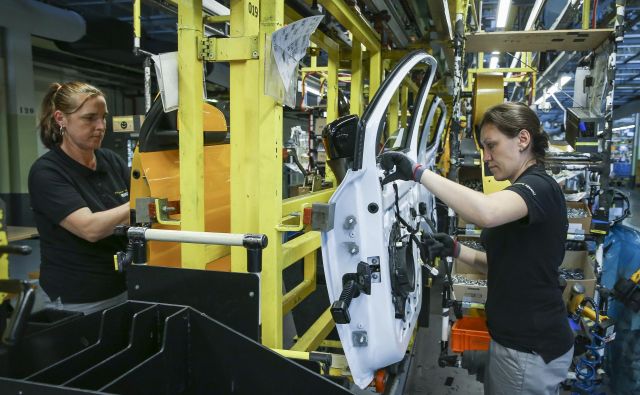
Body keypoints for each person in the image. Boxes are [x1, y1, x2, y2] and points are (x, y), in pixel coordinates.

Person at [381, 102, 574, 395]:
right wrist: (455, 249)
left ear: (523, 140)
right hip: (517, 343)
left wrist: (418, 172)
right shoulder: (522, 190)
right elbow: (507, 265)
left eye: (491, 146)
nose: (485, 157)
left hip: (528, 349)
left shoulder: (540, 187)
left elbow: (485, 212)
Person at [29, 82, 130, 315]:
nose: (100, 126)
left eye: (103, 118)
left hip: (122, 286)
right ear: (61, 119)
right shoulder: (47, 172)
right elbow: (90, 229)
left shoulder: (111, 161)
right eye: (90, 118)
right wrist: (143, 204)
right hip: (78, 297)